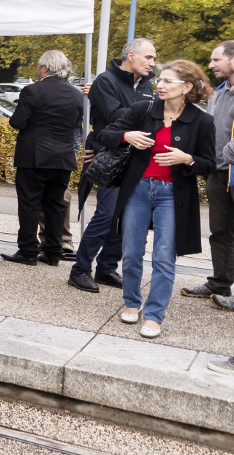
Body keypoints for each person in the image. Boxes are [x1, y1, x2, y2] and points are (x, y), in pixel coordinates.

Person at [93, 59, 215, 338]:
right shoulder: (143, 110)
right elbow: (105, 133)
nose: (159, 85)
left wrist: (187, 159)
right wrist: (127, 135)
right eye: (159, 80)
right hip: (137, 189)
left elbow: (209, 164)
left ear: (186, 87)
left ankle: (154, 315)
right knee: (132, 252)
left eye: (167, 81)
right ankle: (132, 302)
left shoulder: (202, 121)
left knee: (163, 256)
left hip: (173, 195)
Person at [68, 38, 157, 293]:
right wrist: (147, 113)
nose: (153, 62)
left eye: (153, 58)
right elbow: (116, 117)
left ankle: (106, 268)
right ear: (131, 56)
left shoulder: (149, 85)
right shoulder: (105, 81)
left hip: (137, 158)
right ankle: (80, 269)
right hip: (111, 156)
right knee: (107, 215)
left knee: (127, 215)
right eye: (148, 57)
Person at [4, 50, 84, 266]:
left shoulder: (32, 91)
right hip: (63, 158)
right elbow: (75, 124)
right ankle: (52, 252)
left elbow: (17, 122)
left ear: (46, 68)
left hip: (33, 157)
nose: (37, 70)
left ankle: (28, 251)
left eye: (39, 66)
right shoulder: (76, 94)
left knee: (29, 204)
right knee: (56, 205)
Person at [178, 42, 234, 301]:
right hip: (218, 173)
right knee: (219, 231)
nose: (211, 65)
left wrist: (226, 155)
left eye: (216, 60)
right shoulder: (219, 93)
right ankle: (219, 283)